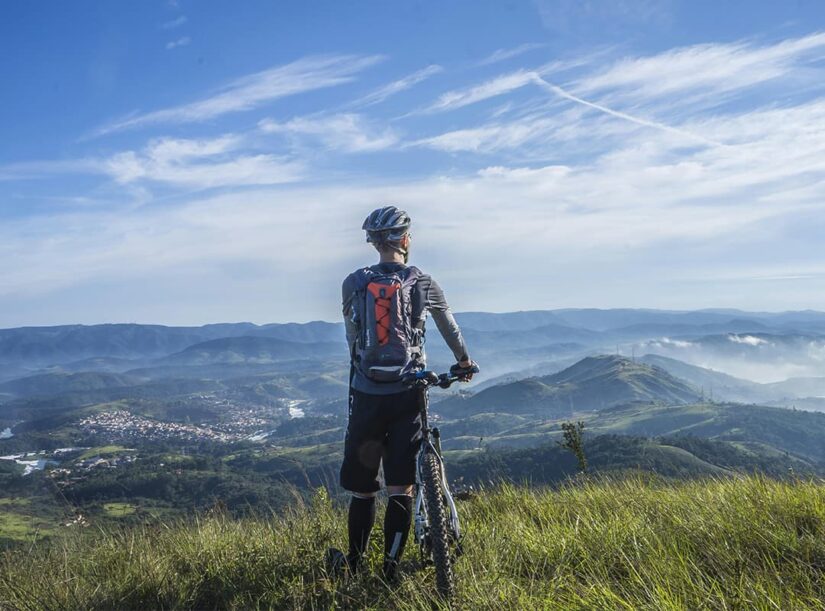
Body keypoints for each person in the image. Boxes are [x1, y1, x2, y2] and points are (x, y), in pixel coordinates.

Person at [326, 205, 475, 583]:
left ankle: (354, 566)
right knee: (400, 488)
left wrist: (364, 372)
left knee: (362, 492)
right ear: (405, 239)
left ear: (374, 242)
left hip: (366, 394)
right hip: (409, 392)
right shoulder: (423, 281)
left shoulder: (353, 282)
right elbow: (450, 329)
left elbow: (351, 337)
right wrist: (463, 362)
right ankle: (390, 569)